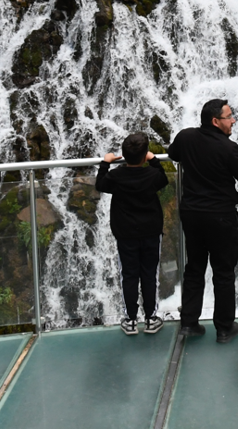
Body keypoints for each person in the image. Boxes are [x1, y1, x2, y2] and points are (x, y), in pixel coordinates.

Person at [168, 99, 238, 343]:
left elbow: (173, 154)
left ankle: (189, 324)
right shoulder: (228, 148)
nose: (234, 120)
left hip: (192, 215)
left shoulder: (185, 137)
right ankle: (225, 328)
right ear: (216, 121)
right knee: (223, 272)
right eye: (229, 117)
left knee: (194, 268)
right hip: (220, 217)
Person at [96, 132, 169, 336]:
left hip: (125, 233)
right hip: (151, 232)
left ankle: (130, 319)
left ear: (123, 155)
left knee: (128, 275)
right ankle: (151, 318)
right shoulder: (152, 175)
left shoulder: (116, 176)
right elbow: (163, 179)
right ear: (145, 154)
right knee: (149, 274)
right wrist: (153, 160)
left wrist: (105, 162)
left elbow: (100, 184)